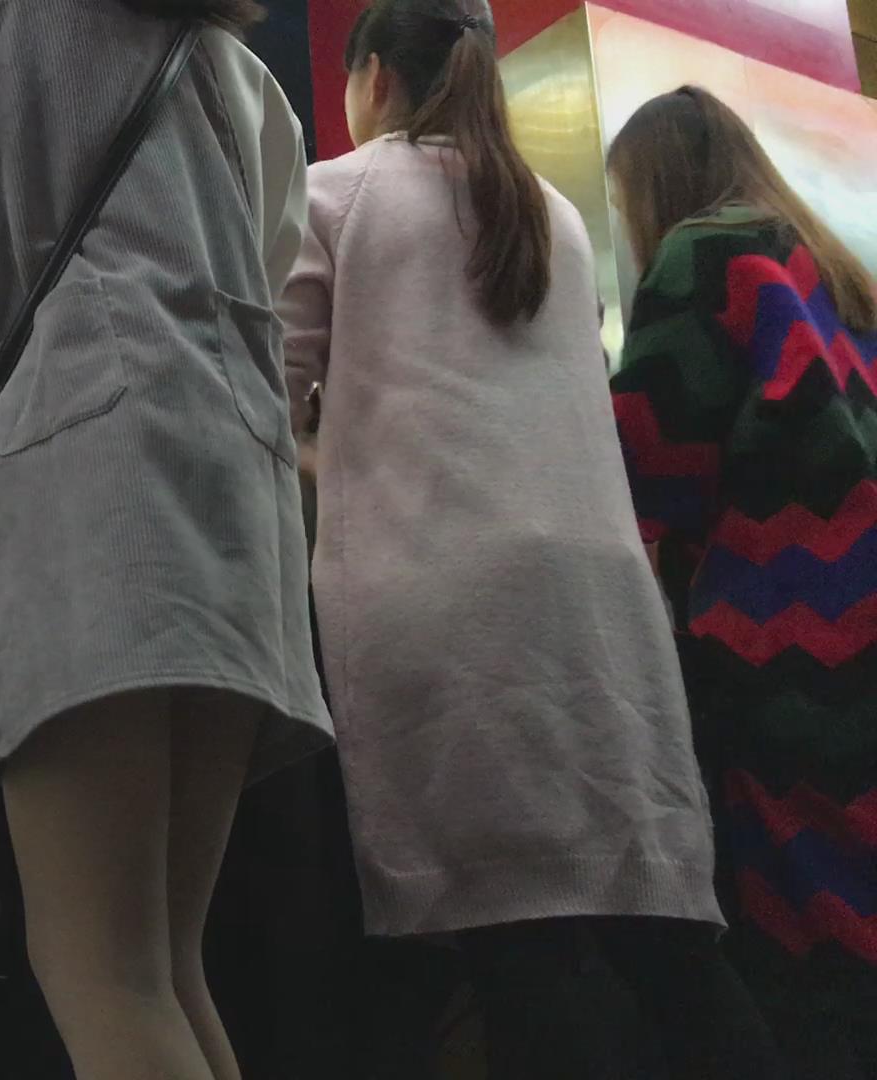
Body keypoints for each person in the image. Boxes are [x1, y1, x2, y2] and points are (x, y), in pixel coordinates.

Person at [277, 4, 786, 1079]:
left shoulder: (338, 192)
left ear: (373, 76)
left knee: (521, 946)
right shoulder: (554, 213)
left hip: (449, 607)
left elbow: (261, 406)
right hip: (606, 618)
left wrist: (338, 452)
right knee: (664, 947)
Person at [0, 0, 333, 1076]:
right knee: (166, 961)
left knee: (97, 968)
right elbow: (266, 265)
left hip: (93, 457)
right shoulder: (243, 71)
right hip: (244, 475)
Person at [607, 86, 877, 1080]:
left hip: (785, 652)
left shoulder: (703, 255)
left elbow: (647, 466)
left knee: (797, 938)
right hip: (860, 624)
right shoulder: (833, 268)